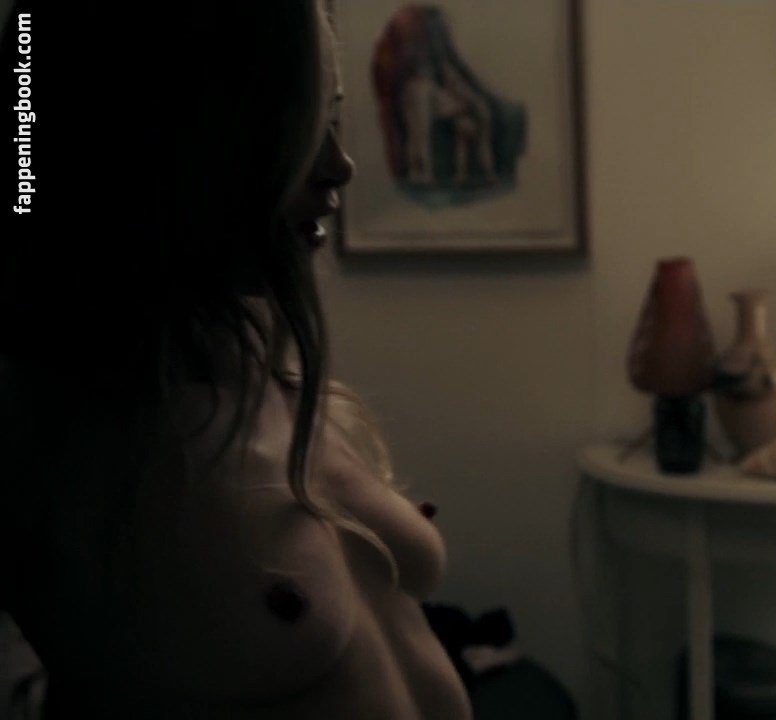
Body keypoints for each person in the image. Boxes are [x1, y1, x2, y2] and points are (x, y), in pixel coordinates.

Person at [0, 1, 472, 718]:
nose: (339, 165)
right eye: (294, 126)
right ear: (166, 135)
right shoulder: (58, 435)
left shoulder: (263, 374)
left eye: (332, 118)